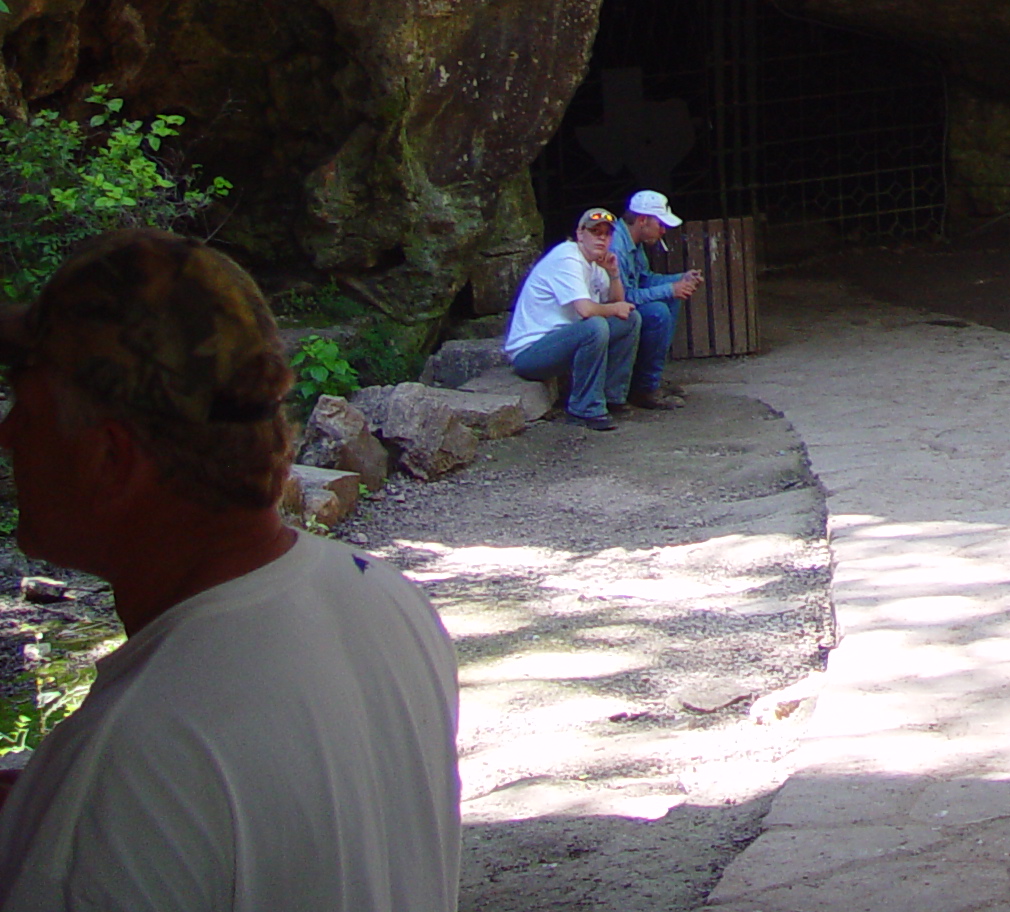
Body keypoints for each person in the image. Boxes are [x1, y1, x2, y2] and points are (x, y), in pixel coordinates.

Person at [0, 230, 460, 911]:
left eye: (25, 409)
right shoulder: (386, 599)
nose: (7, 435)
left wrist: (65, 818)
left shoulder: (123, 769)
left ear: (110, 459)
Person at [504, 208, 637, 432]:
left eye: (607, 234)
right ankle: (584, 409)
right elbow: (586, 310)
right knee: (595, 326)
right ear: (580, 234)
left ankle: (612, 396)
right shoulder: (567, 256)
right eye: (595, 232)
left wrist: (614, 274)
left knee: (630, 320)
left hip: (562, 341)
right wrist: (614, 307)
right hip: (531, 353)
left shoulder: (595, 265)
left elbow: (620, 306)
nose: (602, 238)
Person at [605, 190, 701, 411]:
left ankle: (650, 380)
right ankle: (644, 388)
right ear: (642, 220)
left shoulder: (633, 241)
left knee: (669, 298)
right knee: (658, 310)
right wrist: (670, 289)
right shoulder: (617, 248)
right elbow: (626, 296)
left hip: (620, 306)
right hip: (608, 310)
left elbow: (645, 279)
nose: (663, 230)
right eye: (660, 224)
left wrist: (680, 280)